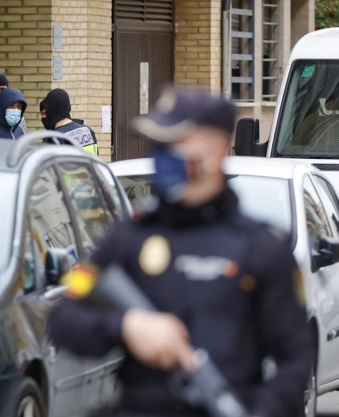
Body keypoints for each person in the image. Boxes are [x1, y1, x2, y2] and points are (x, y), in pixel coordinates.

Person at [47, 87, 312, 417]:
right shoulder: (127, 238)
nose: (161, 155)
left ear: (214, 151)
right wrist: (126, 325)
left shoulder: (262, 248)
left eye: (173, 144)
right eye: (157, 145)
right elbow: (63, 319)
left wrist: (262, 411)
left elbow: (296, 359)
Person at [40, 89, 98, 155]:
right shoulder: (88, 131)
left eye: (44, 113)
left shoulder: (53, 139)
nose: (43, 118)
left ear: (51, 110)